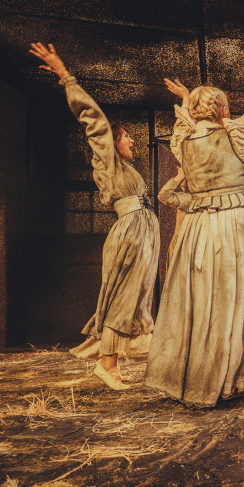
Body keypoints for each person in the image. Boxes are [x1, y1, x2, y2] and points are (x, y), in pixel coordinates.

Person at [144, 25, 244, 407]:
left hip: (198, 228)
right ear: (223, 108)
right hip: (236, 224)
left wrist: (187, 99)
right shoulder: (236, 134)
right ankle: (232, 377)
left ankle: (200, 378)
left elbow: (186, 124)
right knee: (238, 298)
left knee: (202, 300)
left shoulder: (182, 140)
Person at [29, 42, 159, 390]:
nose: (132, 141)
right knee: (122, 295)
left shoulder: (127, 170)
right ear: (112, 142)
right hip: (130, 233)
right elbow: (95, 122)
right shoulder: (107, 160)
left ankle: (112, 365)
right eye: (127, 137)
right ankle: (106, 364)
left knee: (135, 296)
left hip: (142, 233)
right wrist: (64, 75)